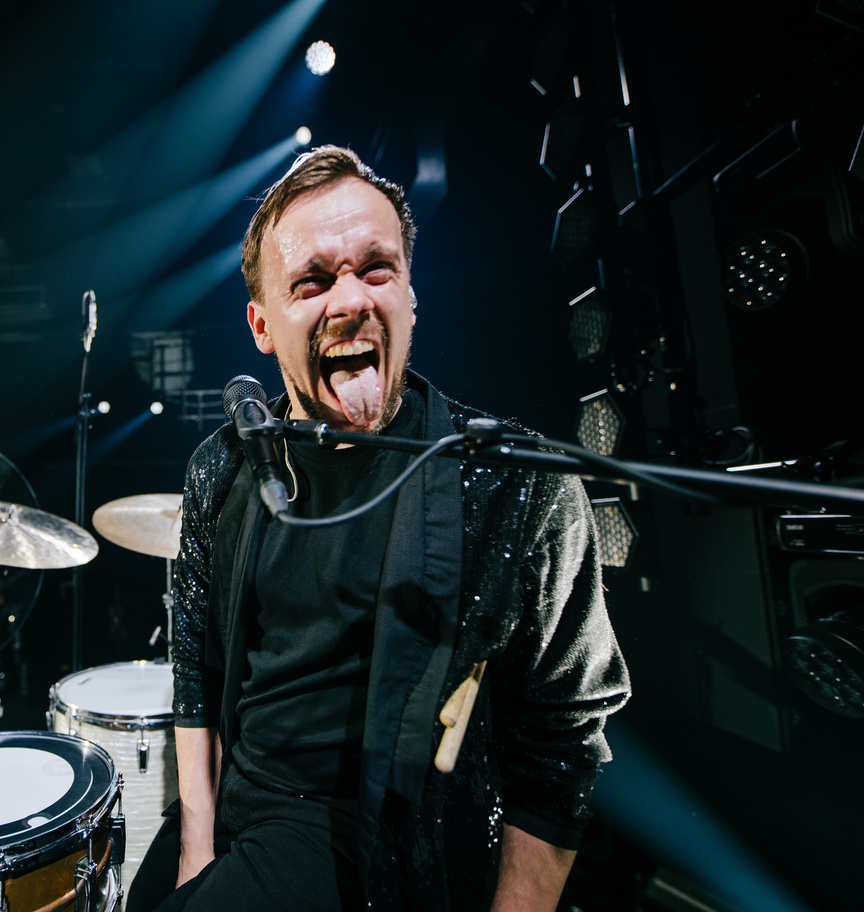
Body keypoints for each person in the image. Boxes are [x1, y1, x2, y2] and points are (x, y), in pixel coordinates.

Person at [127, 146, 630, 912]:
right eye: (312, 281)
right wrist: (197, 843)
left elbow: (562, 742)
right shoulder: (224, 466)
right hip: (234, 801)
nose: (351, 300)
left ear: (411, 297)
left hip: (363, 834)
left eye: (376, 269)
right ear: (262, 326)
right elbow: (197, 669)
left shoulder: (513, 483)